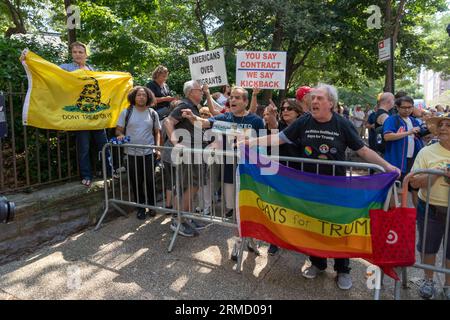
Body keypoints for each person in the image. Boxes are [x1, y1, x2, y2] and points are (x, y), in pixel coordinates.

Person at [246, 83, 400, 290]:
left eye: (319, 98)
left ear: (331, 103)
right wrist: (251, 143)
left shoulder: (342, 124)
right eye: (313, 98)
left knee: (339, 227)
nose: (314, 101)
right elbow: (280, 138)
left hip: (336, 186)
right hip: (310, 185)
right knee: (313, 224)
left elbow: (363, 151)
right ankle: (317, 264)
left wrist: (388, 167)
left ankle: (343, 270)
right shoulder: (304, 121)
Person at [58, 41, 111, 187]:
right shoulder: (65, 68)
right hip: (80, 118)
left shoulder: (92, 69)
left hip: (95, 116)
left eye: (80, 52)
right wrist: (29, 61)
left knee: (104, 145)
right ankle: (86, 175)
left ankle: (110, 173)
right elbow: (49, 73)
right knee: (84, 148)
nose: (77, 55)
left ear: (86, 54)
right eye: (74, 52)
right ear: (71, 54)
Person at [410, 112, 450, 300]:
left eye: (447, 125)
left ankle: (448, 286)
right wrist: (436, 173)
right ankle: (428, 280)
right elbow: (414, 183)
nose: (442, 128)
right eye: (440, 125)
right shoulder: (427, 151)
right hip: (430, 208)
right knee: (428, 246)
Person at [165, 80, 208, 237]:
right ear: (191, 92)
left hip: (195, 153)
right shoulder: (184, 105)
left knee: (191, 186)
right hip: (188, 154)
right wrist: (175, 142)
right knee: (188, 186)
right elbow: (168, 121)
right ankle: (178, 220)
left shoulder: (193, 106)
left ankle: (186, 217)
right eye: (200, 89)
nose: (202, 91)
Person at [263, 98, 304, 256]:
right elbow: (273, 125)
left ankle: (295, 238)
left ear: (298, 113)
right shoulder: (278, 125)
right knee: (275, 207)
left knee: (294, 207)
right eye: (283, 108)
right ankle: (274, 240)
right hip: (276, 173)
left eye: (289, 109)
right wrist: (272, 115)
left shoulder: (304, 129)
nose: (285, 111)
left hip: (296, 175)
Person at [115, 86, 161, 220]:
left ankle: (152, 206)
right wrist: (120, 136)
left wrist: (157, 148)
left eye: (144, 95)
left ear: (148, 98)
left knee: (150, 181)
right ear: (134, 97)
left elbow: (157, 132)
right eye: (139, 95)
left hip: (148, 153)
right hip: (131, 154)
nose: (141, 97)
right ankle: (140, 208)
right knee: (136, 182)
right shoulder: (126, 112)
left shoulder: (152, 113)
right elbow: (118, 130)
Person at [383, 96, 425, 207]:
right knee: (394, 188)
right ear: (397, 107)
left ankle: (416, 217)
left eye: (409, 107)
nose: (407, 110)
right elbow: (387, 136)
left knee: (415, 188)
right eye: (404, 107)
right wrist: (408, 132)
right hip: (396, 159)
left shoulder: (414, 120)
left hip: (413, 159)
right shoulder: (391, 120)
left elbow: (421, 136)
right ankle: (394, 215)